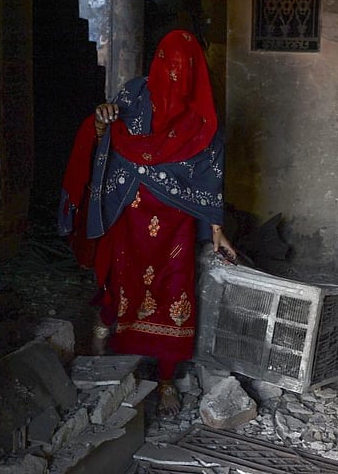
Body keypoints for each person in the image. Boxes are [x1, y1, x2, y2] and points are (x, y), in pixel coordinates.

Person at [58, 29, 237, 417]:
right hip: (129, 215)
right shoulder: (133, 96)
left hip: (176, 224)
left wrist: (217, 231)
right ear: (156, 63)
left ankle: (168, 379)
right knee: (124, 285)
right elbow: (109, 136)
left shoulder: (202, 115)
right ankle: (115, 360)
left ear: (195, 70)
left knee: (175, 293)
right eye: (167, 65)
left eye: (183, 68)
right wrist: (101, 124)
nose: (174, 75)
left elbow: (210, 172)